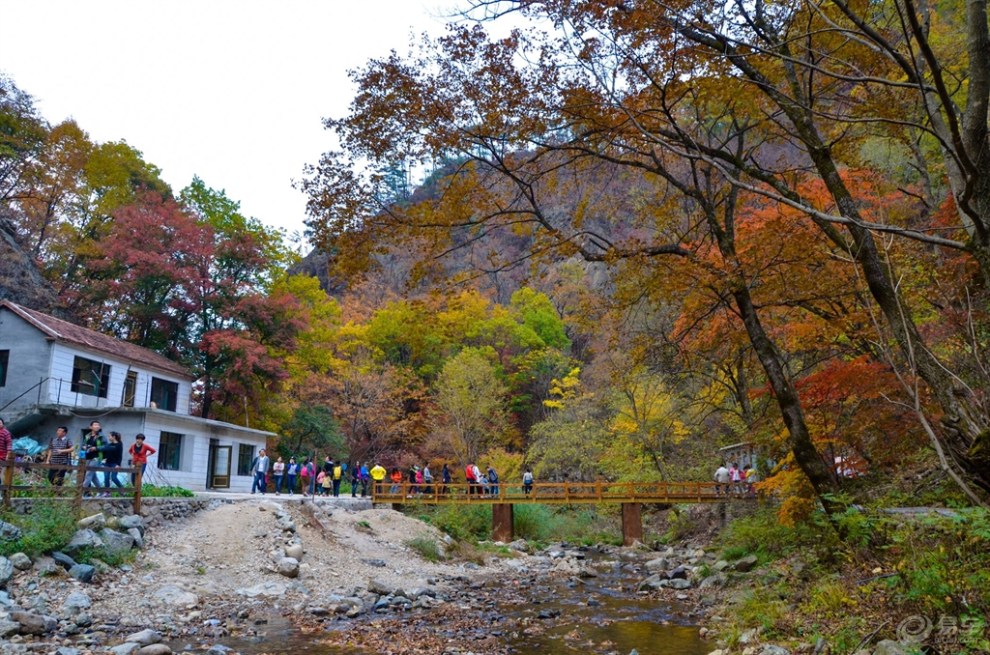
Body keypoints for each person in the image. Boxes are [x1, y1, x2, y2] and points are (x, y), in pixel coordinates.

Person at [97, 431, 125, 495]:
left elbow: (120, 455)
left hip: (114, 464)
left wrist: (118, 464)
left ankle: (122, 489)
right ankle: (107, 492)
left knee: (114, 478)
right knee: (106, 477)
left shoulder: (119, 445)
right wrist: (104, 459)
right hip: (107, 463)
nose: (109, 437)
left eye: (109, 436)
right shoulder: (109, 445)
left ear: (114, 437)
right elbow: (105, 451)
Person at [82, 421, 105, 493]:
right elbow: (83, 444)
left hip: (96, 458)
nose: (97, 426)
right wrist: (84, 447)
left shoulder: (102, 437)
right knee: (93, 476)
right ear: (91, 427)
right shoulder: (87, 436)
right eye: (95, 425)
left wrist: (96, 448)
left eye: (98, 425)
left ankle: (79, 492)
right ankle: (101, 492)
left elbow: (106, 447)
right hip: (88, 457)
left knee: (88, 474)